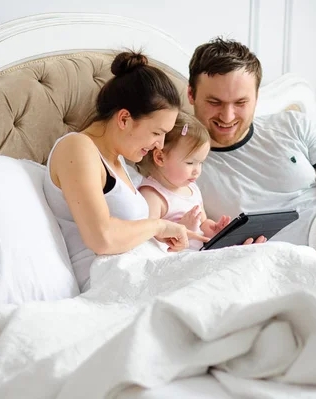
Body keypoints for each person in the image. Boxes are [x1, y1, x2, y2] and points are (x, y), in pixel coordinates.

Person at [188, 38, 316, 273]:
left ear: (256, 97)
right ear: (191, 94)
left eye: (240, 103)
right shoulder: (176, 162)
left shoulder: (293, 125)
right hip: (278, 265)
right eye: (214, 102)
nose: (227, 116)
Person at [43, 51, 207, 292]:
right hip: (110, 282)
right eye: (156, 132)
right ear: (124, 119)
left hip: (140, 272)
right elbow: (102, 238)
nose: (160, 145)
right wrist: (158, 226)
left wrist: (160, 236)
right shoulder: (76, 147)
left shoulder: (119, 164)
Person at [136, 112, 231, 250]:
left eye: (201, 163)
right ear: (160, 158)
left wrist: (214, 229)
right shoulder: (152, 195)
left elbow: (202, 223)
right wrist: (182, 229)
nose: (197, 170)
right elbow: (148, 238)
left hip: (197, 254)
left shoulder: (192, 189)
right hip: (175, 260)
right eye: (190, 162)